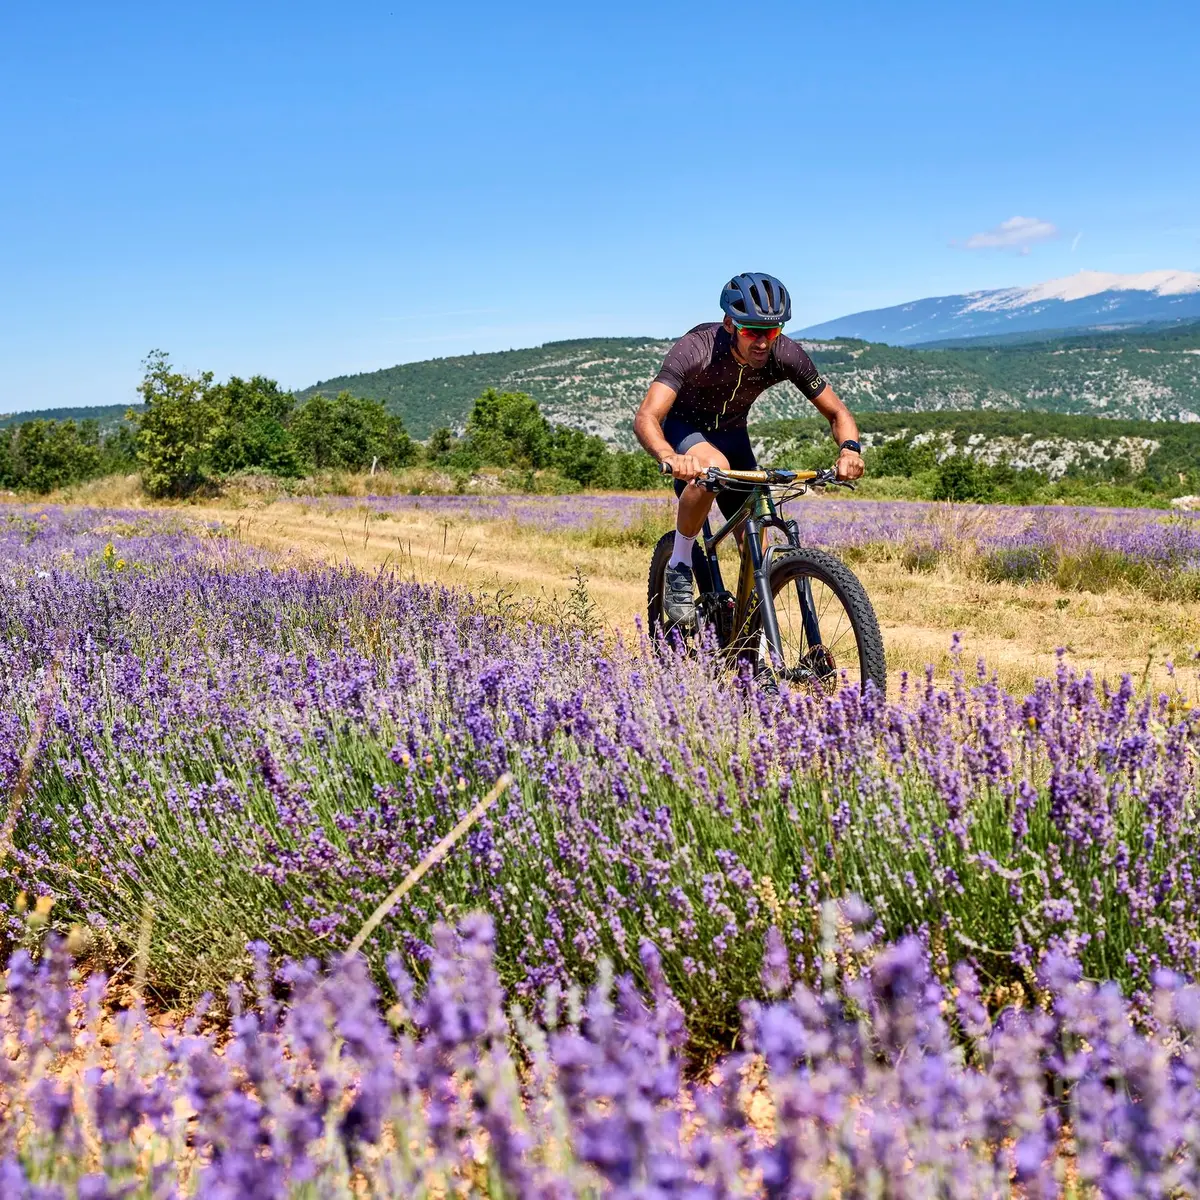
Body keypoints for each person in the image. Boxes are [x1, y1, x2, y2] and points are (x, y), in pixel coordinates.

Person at [633, 272, 864, 626]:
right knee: (714, 466)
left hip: (733, 435)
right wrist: (670, 456)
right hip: (685, 430)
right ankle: (680, 563)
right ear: (730, 323)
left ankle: (745, 636)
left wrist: (850, 449)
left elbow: (837, 412)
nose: (762, 342)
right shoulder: (696, 348)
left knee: (757, 549)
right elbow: (648, 415)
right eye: (751, 331)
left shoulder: (786, 354)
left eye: (771, 331)